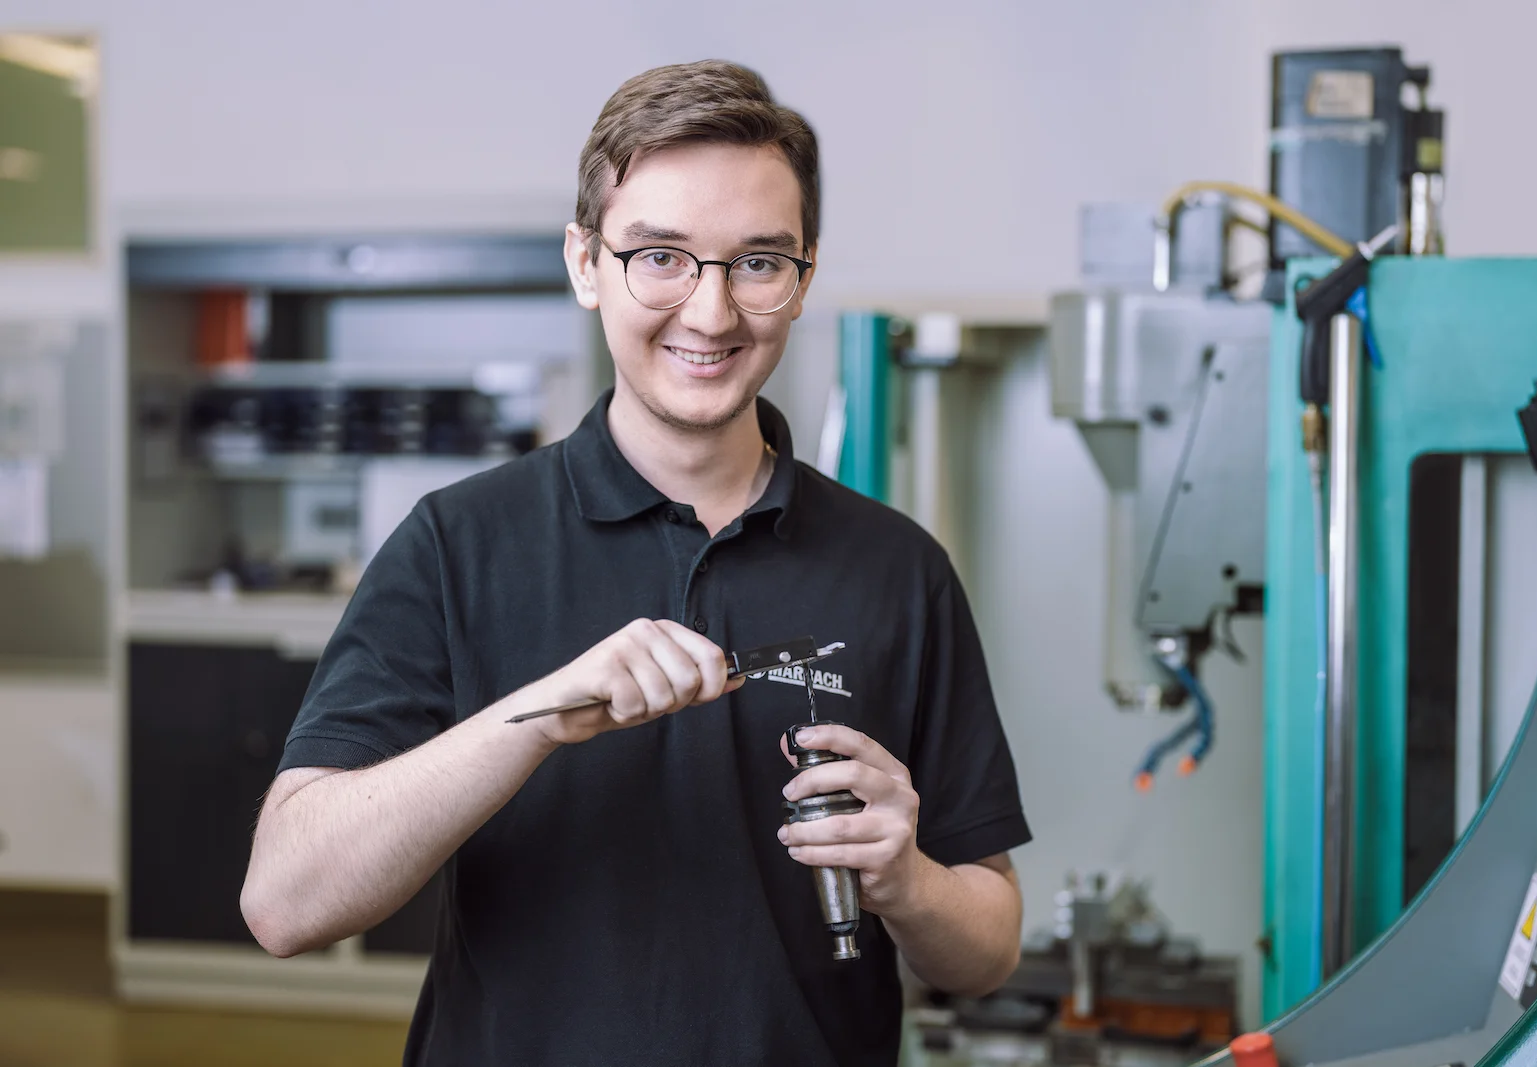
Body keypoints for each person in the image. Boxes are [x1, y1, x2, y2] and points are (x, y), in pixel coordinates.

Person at [240, 59, 1030, 1067]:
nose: (710, 312)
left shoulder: (896, 568)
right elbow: (285, 903)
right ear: (586, 263)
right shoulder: (456, 544)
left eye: (757, 262)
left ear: (802, 278)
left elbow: (987, 950)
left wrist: (907, 879)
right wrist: (534, 720)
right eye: (661, 256)